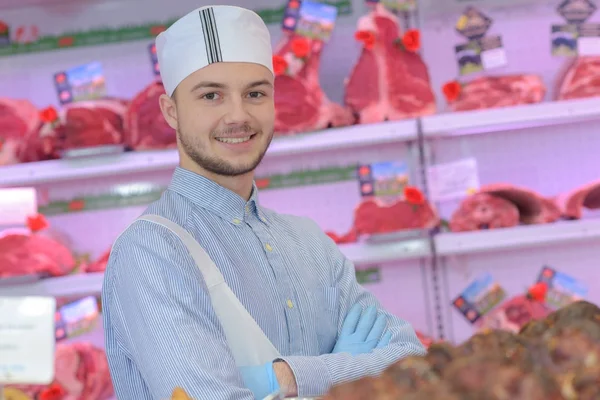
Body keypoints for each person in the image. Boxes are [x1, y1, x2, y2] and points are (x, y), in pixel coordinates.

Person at [101, 5, 425, 400]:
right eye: (211, 96)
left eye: (255, 93)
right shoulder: (151, 251)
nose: (238, 115)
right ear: (171, 112)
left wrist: (289, 376)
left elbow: (412, 363)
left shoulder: (309, 243)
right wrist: (344, 374)